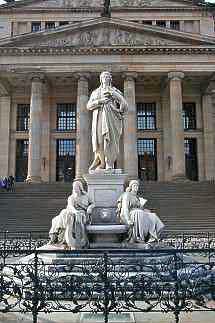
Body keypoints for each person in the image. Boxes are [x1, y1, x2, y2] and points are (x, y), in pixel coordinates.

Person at [87, 71, 128, 171]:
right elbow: (88, 106)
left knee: (110, 141)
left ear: (110, 79)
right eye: (104, 76)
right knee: (100, 141)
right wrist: (100, 101)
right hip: (99, 117)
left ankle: (109, 163)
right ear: (101, 79)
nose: (106, 78)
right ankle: (101, 163)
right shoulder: (95, 92)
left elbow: (125, 106)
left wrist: (115, 96)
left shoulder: (115, 91)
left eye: (108, 76)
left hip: (111, 118)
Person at [49, 180, 95, 249]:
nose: (75, 189)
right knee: (62, 214)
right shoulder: (71, 197)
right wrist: (75, 211)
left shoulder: (86, 196)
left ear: (80, 187)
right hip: (73, 212)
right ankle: (60, 235)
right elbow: (70, 206)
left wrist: (90, 208)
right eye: (74, 187)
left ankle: (78, 239)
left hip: (83, 213)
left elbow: (93, 203)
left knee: (70, 214)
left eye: (76, 187)